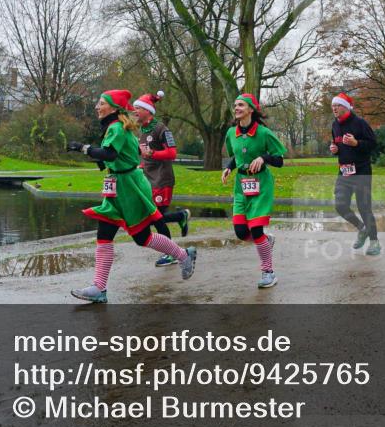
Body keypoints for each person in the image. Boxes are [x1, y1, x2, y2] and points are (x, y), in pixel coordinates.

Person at [67, 89, 195, 303]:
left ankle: (183, 255)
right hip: (117, 187)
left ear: (114, 108)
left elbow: (110, 154)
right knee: (104, 234)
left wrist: (83, 148)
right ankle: (99, 288)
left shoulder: (116, 127)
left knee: (142, 237)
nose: (97, 107)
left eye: (101, 103)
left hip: (130, 188)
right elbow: (118, 154)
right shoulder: (116, 127)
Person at [222, 94, 287, 289]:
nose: (237, 108)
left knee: (256, 229)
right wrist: (228, 167)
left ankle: (268, 272)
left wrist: (264, 158)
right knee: (241, 232)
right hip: (241, 185)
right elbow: (236, 155)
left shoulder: (264, 133)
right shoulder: (231, 133)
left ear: (251, 109)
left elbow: (280, 161)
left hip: (261, 185)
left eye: (241, 105)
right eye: (235, 105)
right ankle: (266, 242)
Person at [133, 91, 191, 267]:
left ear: (147, 111)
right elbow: (145, 155)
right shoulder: (142, 130)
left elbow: (172, 153)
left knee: (156, 217)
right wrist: (142, 165)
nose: (134, 111)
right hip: (148, 179)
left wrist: (153, 153)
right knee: (154, 216)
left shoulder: (161, 129)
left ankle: (171, 253)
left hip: (162, 179)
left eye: (137, 108)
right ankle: (180, 217)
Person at [329, 92, 379, 256]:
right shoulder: (334, 125)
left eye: (337, 105)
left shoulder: (360, 123)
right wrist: (334, 150)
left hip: (362, 171)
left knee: (364, 206)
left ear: (346, 107)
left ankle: (374, 242)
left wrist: (356, 143)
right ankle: (362, 228)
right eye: (333, 106)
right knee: (340, 205)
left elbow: (373, 144)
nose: (334, 108)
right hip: (344, 171)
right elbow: (336, 144)